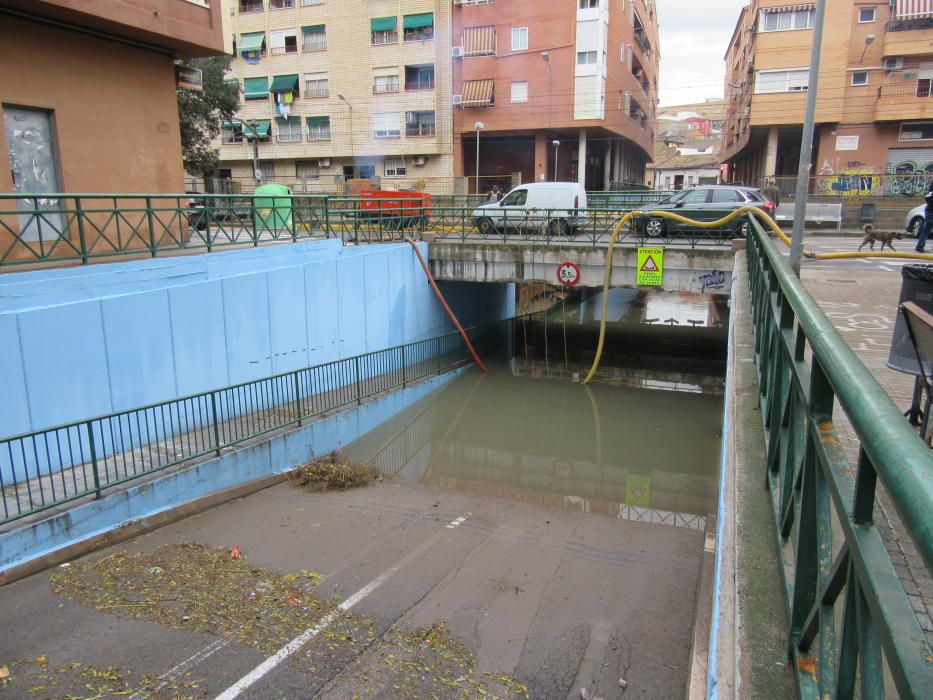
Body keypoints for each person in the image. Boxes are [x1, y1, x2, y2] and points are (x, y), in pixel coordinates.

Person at [915, 183, 933, 253]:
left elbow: (927, 198)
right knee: (926, 230)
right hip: (931, 211)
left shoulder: (930, 193)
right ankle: (919, 247)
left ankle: (919, 247)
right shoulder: (931, 194)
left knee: (925, 230)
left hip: (929, 211)